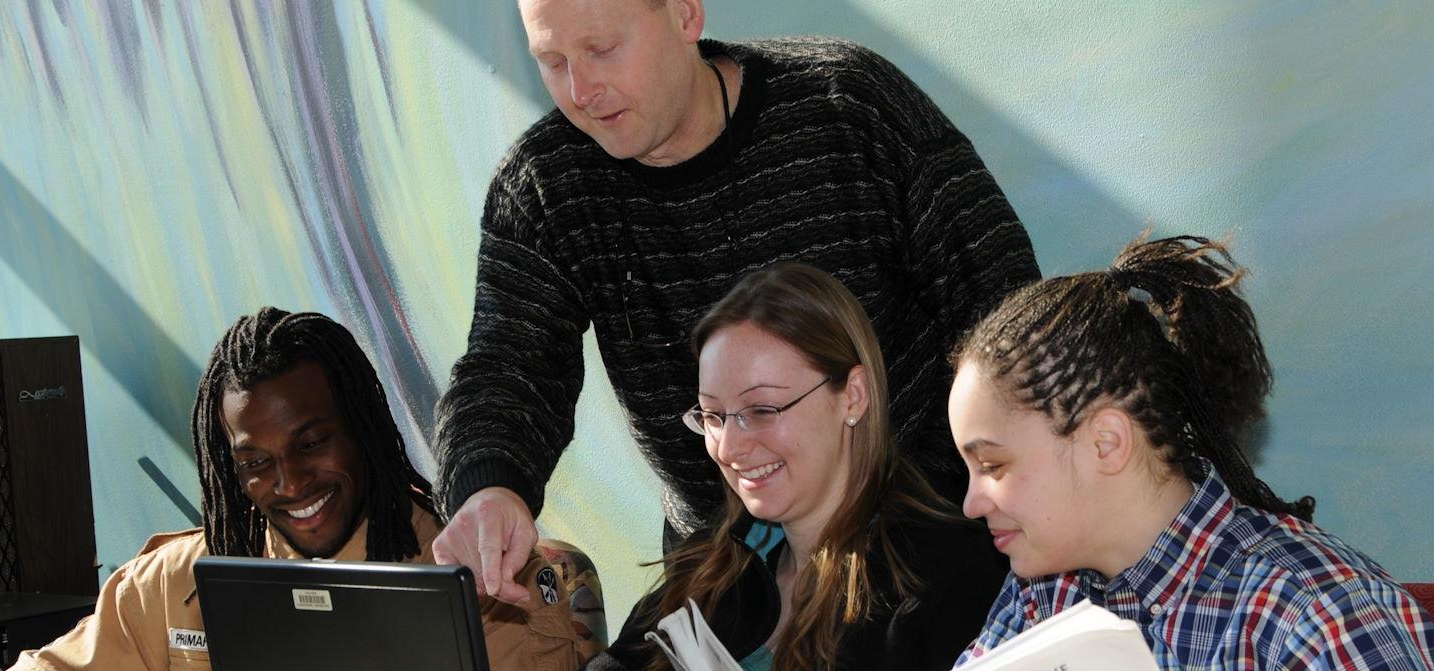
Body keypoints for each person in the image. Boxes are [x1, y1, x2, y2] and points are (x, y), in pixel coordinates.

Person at [432, 0, 1039, 605]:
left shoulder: (847, 102)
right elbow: (508, 368)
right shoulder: (544, 184)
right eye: (552, 61)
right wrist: (491, 488)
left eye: (602, 50)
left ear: (685, 15)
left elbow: (1003, 308)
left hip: (929, 544)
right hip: (725, 574)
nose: (581, 89)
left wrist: (927, 507)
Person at [947, 237, 1434, 669]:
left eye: (992, 466)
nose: (972, 503)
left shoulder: (1314, 619)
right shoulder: (1041, 594)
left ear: (1106, 443)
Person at [12, 309, 599, 671]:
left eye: (312, 443)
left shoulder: (482, 584)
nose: (289, 482)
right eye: (256, 462)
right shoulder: (167, 588)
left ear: (363, 431)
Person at [585, 263, 1007, 670]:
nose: (728, 447)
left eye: (763, 409)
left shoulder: (942, 577)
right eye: (713, 416)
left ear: (853, 396)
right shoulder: (707, 568)